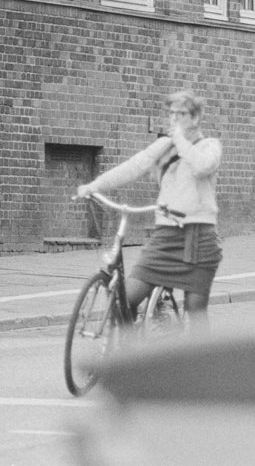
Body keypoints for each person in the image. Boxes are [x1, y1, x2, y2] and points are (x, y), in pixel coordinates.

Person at [76, 90, 222, 332]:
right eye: (172, 113)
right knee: (126, 299)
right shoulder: (163, 146)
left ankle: (200, 367)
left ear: (195, 118)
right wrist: (94, 185)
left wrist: (180, 140)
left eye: (182, 114)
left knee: (195, 310)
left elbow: (201, 167)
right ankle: (135, 357)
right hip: (165, 237)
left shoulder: (210, 146)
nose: (175, 119)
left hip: (200, 238)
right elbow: (133, 166)